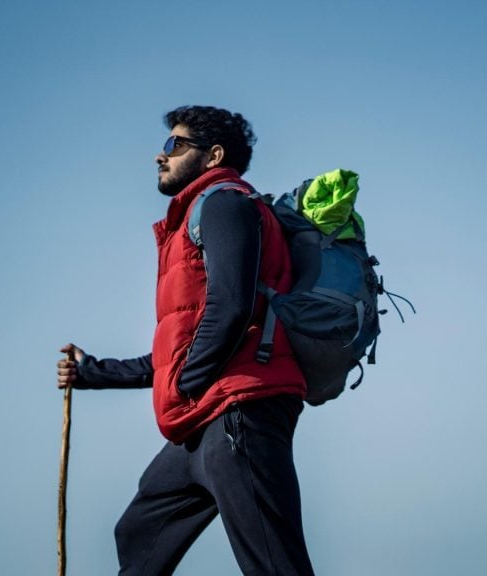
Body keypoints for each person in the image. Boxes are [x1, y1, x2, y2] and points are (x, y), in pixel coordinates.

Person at [56, 106, 314, 576]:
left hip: (241, 409)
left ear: (214, 156)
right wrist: (93, 372)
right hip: (204, 415)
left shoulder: (226, 204)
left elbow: (232, 306)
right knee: (140, 532)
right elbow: (178, 346)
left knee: (275, 564)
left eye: (177, 144)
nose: (161, 154)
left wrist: (186, 384)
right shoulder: (191, 219)